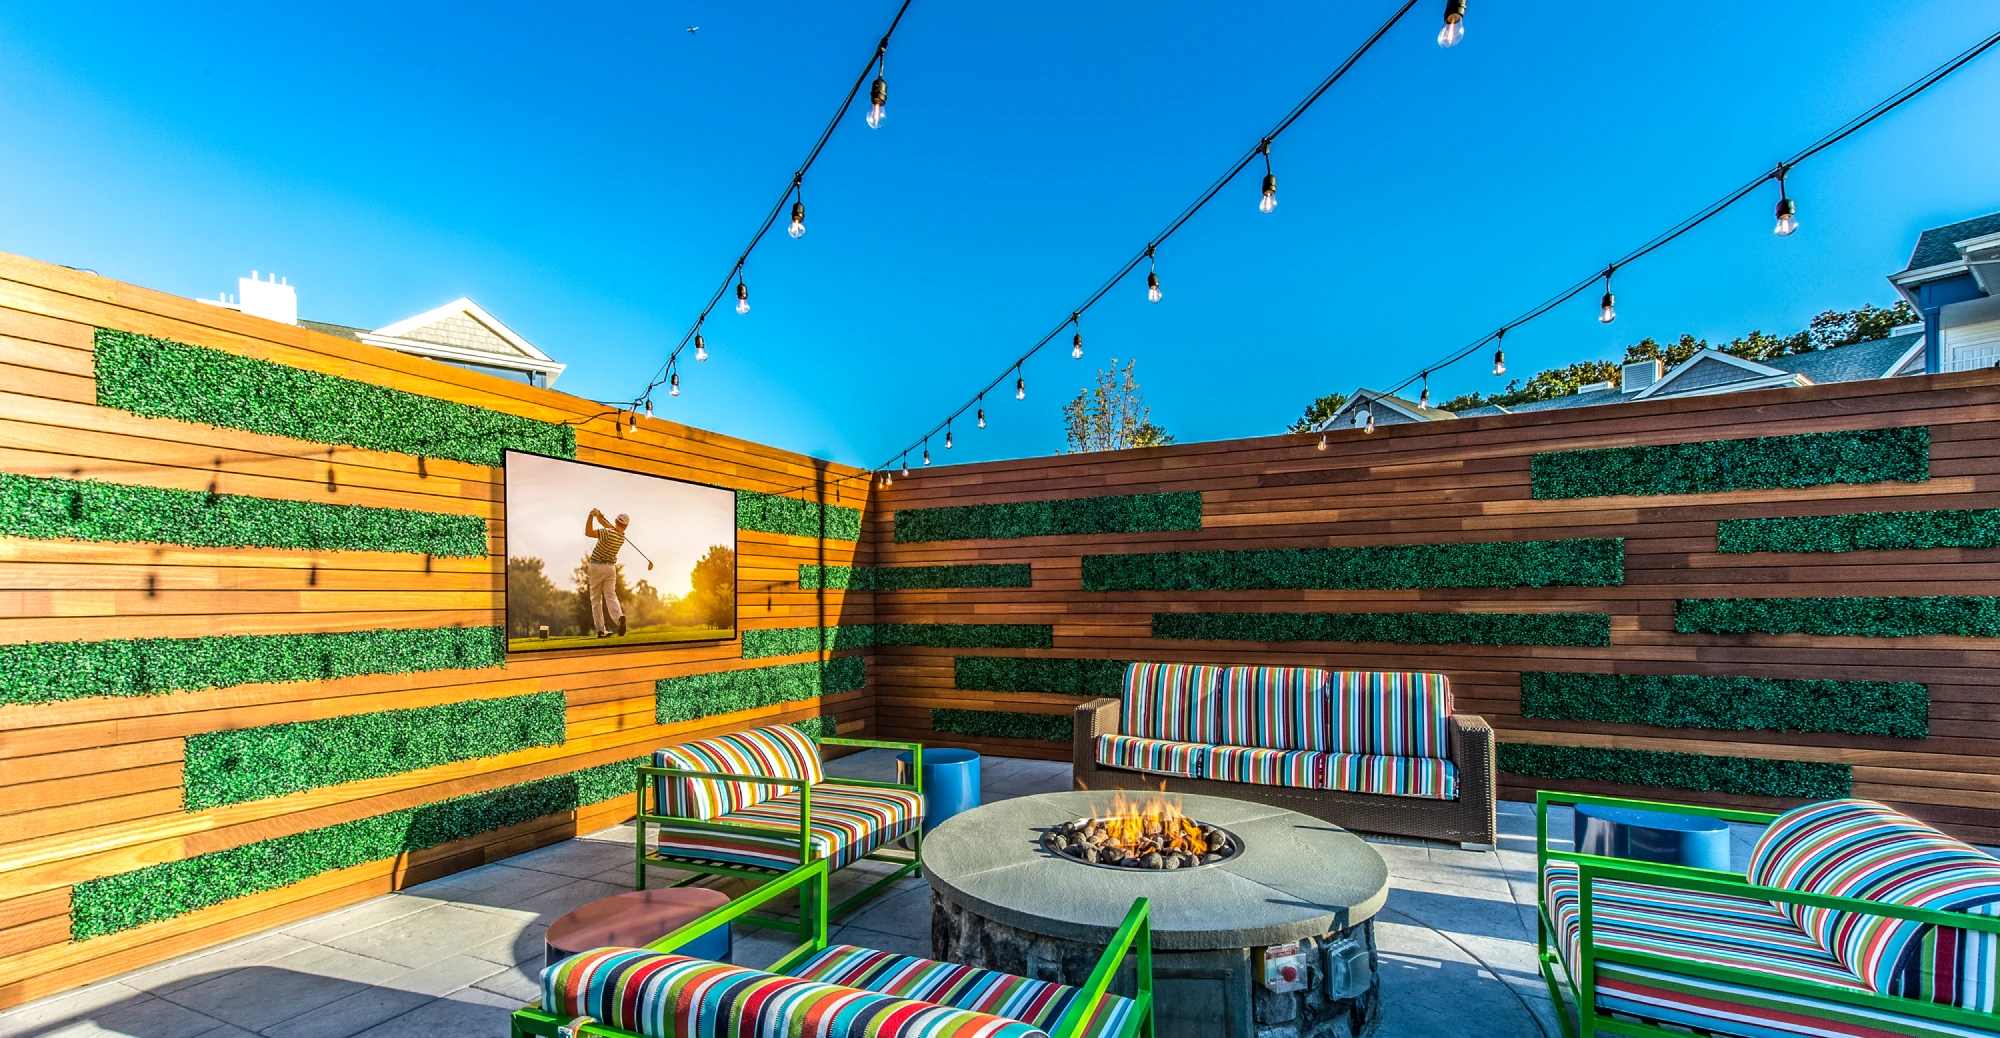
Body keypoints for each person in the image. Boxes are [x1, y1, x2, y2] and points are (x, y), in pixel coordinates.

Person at [583, 509, 629, 637]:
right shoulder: (621, 537)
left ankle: (600, 630)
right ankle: (619, 618)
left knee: (596, 599)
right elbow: (611, 527)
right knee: (611, 595)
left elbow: (588, 532)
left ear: (615, 521)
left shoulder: (606, 533)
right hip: (610, 569)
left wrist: (591, 516)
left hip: (596, 567)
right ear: (626, 526)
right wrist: (599, 517)